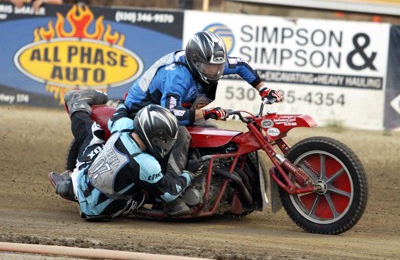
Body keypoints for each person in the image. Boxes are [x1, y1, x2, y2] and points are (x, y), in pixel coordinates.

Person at [124, 31, 283, 211]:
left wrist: (263, 89)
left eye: (219, 66)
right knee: (180, 135)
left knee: (210, 131)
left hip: (170, 108)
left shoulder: (212, 65)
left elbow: (240, 64)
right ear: (195, 62)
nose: (216, 71)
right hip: (142, 110)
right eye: (210, 67)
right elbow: (172, 114)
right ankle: (170, 196)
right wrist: (206, 112)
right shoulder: (177, 75)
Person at [48, 89, 203, 220]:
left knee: (94, 133)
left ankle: (77, 107)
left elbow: (118, 114)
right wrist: (189, 174)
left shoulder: (123, 126)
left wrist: (123, 104)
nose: (166, 144)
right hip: (100, 210)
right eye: (164, 140)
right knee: (148, 192)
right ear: (151, 135)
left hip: (85, 178)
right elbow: (169, 193)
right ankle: (73, 189)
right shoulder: (146, 163)